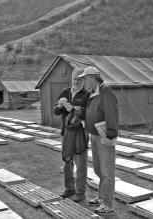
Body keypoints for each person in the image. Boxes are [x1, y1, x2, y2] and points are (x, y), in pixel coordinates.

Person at [78, 66, 119, 215]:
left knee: (107, 171)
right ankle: (102, 197)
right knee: (98, 169)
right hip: (94, 136)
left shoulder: (105, 90)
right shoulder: (92, 93)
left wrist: (111, 135)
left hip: (104, 136)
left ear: (94, 77)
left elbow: (111, 112)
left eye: (85, 78)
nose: (83, 81)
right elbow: (93, 112)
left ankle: (108, 204)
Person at [54, 68, 90, 202]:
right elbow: (56, 112)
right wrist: (60, 105)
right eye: (74, 79)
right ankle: (69, 189)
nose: (76, 81)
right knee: (67, 162)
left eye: (79, 79)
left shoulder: (87, 94)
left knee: (81, 165)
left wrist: (75, 110)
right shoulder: (65, 92)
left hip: (80, 133)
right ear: (71, 79)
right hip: (66, 132)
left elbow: (89, 113)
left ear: (84, 81)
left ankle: (80, 192)